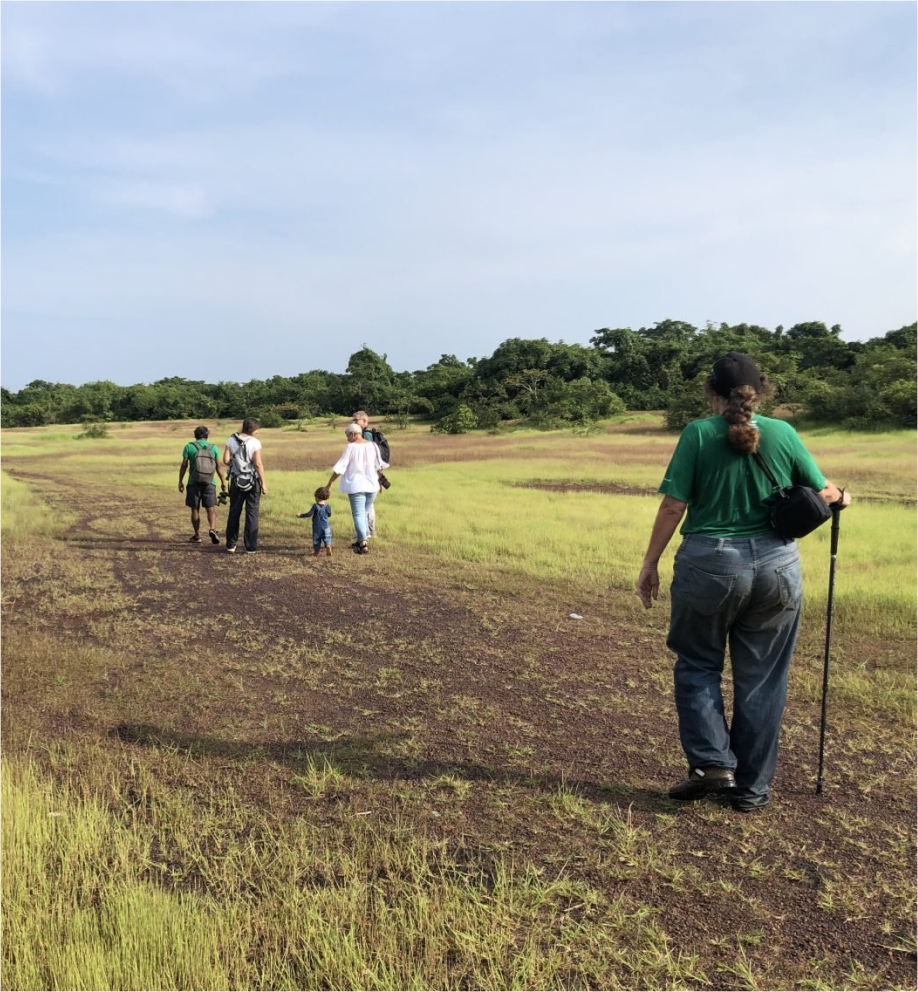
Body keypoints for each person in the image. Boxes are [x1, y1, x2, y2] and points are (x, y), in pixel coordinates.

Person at [635, 352, 851, 813]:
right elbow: (828, 494)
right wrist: (844, 497)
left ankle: (712, 763)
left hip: (709, 564)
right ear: (762, 390)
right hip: (777, 567)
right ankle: (752, 791)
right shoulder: (784, 433)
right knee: (763, 680)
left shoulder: (697, 433)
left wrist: (650, 563)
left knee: (697, 663)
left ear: (711, 391)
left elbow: (673, 507)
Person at [326, 422, 388, 554]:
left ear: (353, 434)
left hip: (356, 486)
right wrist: (381, 482)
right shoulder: (373, 446)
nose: (347, 439)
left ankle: (363, 543)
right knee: (363, 513)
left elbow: (340, 467)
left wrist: (330, 483)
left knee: (358, 514)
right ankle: (361, 539)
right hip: (372, 486)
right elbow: (378, 466)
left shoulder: (351, 447)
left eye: (348, 435)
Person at [222, 417, 268, 554]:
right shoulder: (255, 443)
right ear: (252, 429)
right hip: (253, 482)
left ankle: (231, 545)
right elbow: (258, 464)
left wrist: (236, 466)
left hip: (236, 481)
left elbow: (225, 460)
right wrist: (264, 483)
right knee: (252, 513)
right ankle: (250, 546)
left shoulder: (230, 440)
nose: (258, 432)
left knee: (234, 512)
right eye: (257, 429)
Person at [178, 425, 226, 545]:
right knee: (210, 508)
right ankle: (212, 529)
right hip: (210, 482)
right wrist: (223, 482)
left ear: (195, 435)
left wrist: (180, 481)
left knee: (195, 509)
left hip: (193, 482)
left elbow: (184, 465)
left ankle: (197, 535)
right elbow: (218, 466)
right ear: (207, 435)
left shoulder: (189, 446)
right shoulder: (213, 447)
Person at [297, 487, 333, 556]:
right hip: (326, 526)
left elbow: (309, 514)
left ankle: (317, 551)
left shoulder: (315, 506)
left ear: (317, 497)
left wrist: (300, 515)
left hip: (317, 527)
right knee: (327, 537)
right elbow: (329, 515)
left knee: (316, 539)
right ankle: (328, 546)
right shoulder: (327, 506)